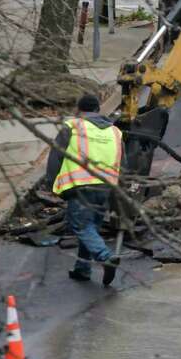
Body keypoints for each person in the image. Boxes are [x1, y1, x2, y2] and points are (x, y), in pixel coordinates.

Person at [45, 93, 124, 286]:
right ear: (98, 110)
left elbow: (56, 156)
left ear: (79, 110)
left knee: (80, 226)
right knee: (91, 227)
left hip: (81, 187)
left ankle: (105, 256)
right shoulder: (115, 132)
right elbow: (124, 162)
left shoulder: (72, 126)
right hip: (105, 187)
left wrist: (51, 184)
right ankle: (83, 269)